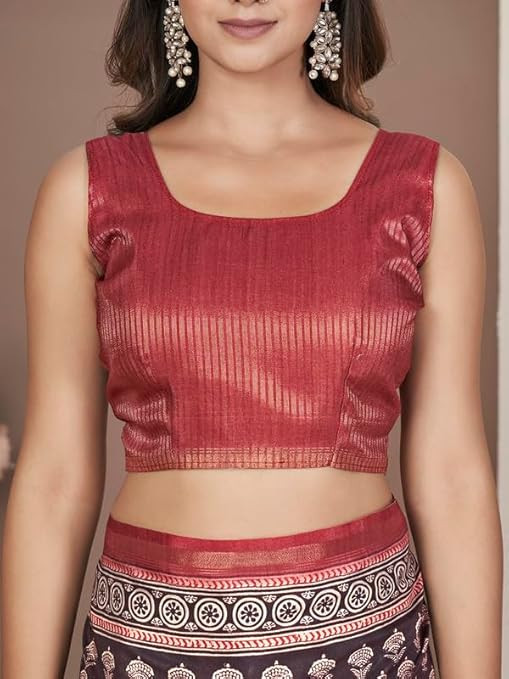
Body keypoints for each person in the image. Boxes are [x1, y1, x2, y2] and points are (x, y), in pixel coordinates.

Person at [1, 0, 503, 677]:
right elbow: (54, 480)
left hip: (364, 646)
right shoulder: (86, 190)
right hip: (148, 645)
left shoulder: (422, 186)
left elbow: (451, 477)